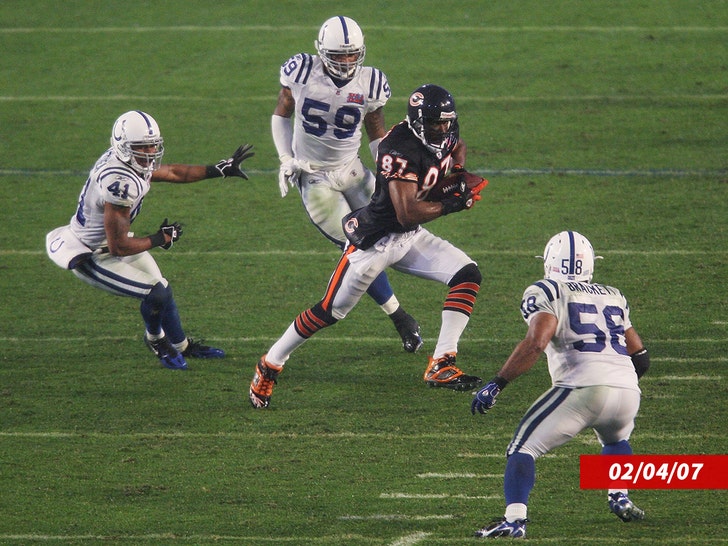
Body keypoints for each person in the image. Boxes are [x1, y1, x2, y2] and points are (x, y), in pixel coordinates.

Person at [249, 83, 488, 408]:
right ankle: (271, 362)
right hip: (376, 241)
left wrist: (457, 173)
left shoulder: (445, 132)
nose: (443, 128)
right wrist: (451, 203)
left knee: (467, 274)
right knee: (329, 311)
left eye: (447, 121)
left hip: (411, 236)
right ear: (418, 122)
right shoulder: (398, 147)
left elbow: (457, 146)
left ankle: (441, 363)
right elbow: (405, 213)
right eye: (436, 123)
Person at [471, 231, 650, 539]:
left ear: (548, 262)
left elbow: (536, 343)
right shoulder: (613, 294)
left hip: (583, 387)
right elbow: (641, 358)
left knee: (522, 447)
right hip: (627, 390)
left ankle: (515, 520)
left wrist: (497, 383)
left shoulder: (547, 290)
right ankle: (619, 495)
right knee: (615, 440)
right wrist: (617, 380)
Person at [45, 110, 254, 370]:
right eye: (142, 145)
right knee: (156, 293)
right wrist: (161, 238)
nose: (150, 151)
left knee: (163, 288)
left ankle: (182, 346)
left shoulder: (127, 162)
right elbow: (118, 247)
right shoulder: (118, 182)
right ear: (123, 147)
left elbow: (173, 172)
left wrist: (218, 169)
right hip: (91, 254)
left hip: (109, 243)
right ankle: (155, 340)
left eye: (152, 144)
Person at [271, 15, 422, 354]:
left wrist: (389, 173)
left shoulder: (370, 83)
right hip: (314, 177)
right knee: (358, 249)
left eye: (351, 55)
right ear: (321, 52)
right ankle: (400, 317)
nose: (345, 62)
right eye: (338, 56)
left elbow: (376, 133)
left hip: (352, 170)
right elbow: (281, 113)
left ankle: (432, 275)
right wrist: (285, 158)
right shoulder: (301, 71)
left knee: (403, 223)